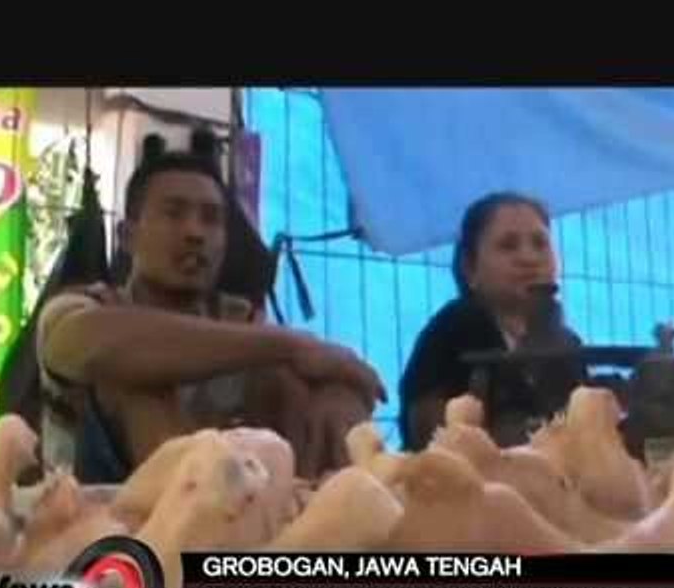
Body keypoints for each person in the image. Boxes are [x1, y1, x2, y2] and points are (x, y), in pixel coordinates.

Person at [37, 146, 384, 483]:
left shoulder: (240, 322)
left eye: (211, 219)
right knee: (134, 379)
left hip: (236, 520)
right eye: (174, 213)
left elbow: (343, 378)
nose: (194, 233)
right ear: (128, 237)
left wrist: (336, 396)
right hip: (97, 528)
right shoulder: (84, 307)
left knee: (288, 383)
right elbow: (93, 346)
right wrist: (293, 345)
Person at [399, 192, 587, 451]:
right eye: (508, 246)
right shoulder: (455, 329)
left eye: (540, 243)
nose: (529, 258)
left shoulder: (566, 340)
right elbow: (428, 432)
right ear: (470, 268)